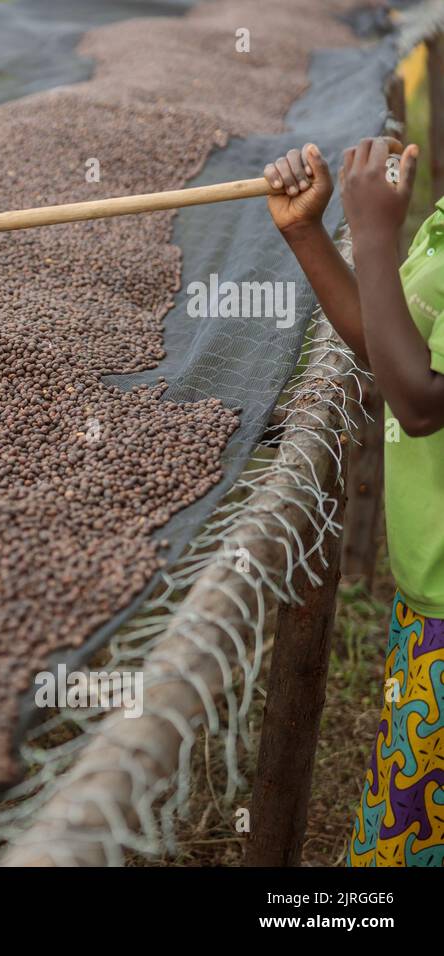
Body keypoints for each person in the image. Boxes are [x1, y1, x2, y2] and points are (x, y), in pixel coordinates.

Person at [264, 138, 444, 866]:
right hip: (427, 596)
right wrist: (307, 231)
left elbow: (422, 401)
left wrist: (373, 232)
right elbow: (391, 347)